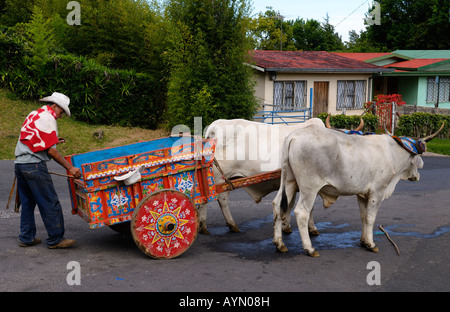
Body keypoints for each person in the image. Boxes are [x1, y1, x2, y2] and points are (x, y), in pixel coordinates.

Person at [14, 92, 81, 248]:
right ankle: (56, 239)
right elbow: (52, 151)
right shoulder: (48, 118)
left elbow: (33, 137)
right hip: (34, 166)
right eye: (61, 111)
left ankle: (26, 237)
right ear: (54, 106)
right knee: (50, 202)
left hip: (20, 164)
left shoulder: (36, 114)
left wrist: (55, 140)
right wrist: (70, 167)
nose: (61, 115)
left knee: (28, 203)